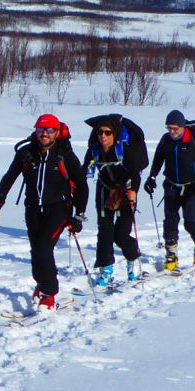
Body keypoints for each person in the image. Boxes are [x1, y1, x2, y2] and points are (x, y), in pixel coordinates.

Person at [0, 114, 86, 311]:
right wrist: (1, 195)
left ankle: (49, 293)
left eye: (50, 130)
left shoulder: (64, 155)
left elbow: (82, 186)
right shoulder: (26, 153)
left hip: (59, 209)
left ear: (56, 133)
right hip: (32, 209)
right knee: (36, 252)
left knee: (44, 249)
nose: (45, 134)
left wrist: (79, 214)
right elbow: (10, 175)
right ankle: (42, 284)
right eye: (41, 129)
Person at [144, 108, 195, 271]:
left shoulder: (194, 140)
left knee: (190, 221)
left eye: (175, 128)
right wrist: (152, 178)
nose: (172, 131)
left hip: (193, 187)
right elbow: (157, 161)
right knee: (170, 221)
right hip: (172, 186)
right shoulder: (166, 140)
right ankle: (171, 255)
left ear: (183, 127)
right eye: (169, 128)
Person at [82, 113, 145, 286]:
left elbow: (135, 173)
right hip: (104, 191)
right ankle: (106, 269)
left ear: (115, 133)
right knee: (104, 232)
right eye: (100, 132)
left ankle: (134, 261)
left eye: (107, 132)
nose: (103, 136)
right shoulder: (94, 149)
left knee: (121, 235)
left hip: (125, 191)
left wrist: (134, 191)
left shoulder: (125, 149)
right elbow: (84, 169)